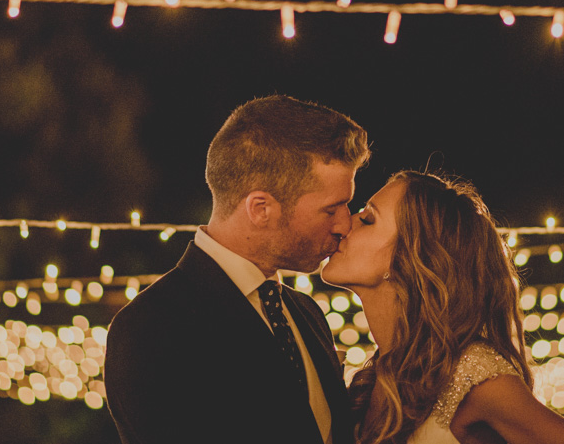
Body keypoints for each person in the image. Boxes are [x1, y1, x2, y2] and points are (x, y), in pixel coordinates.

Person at [104, 95, 372, 444]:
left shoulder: (306, 313)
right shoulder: (150, 327)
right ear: (261, 209)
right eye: (331, 209)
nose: (344, 225)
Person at [321, 171, 564, 444]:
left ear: (410, 258)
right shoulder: (377, 376)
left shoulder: (469, 373)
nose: (346, 224)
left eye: (368, 219)